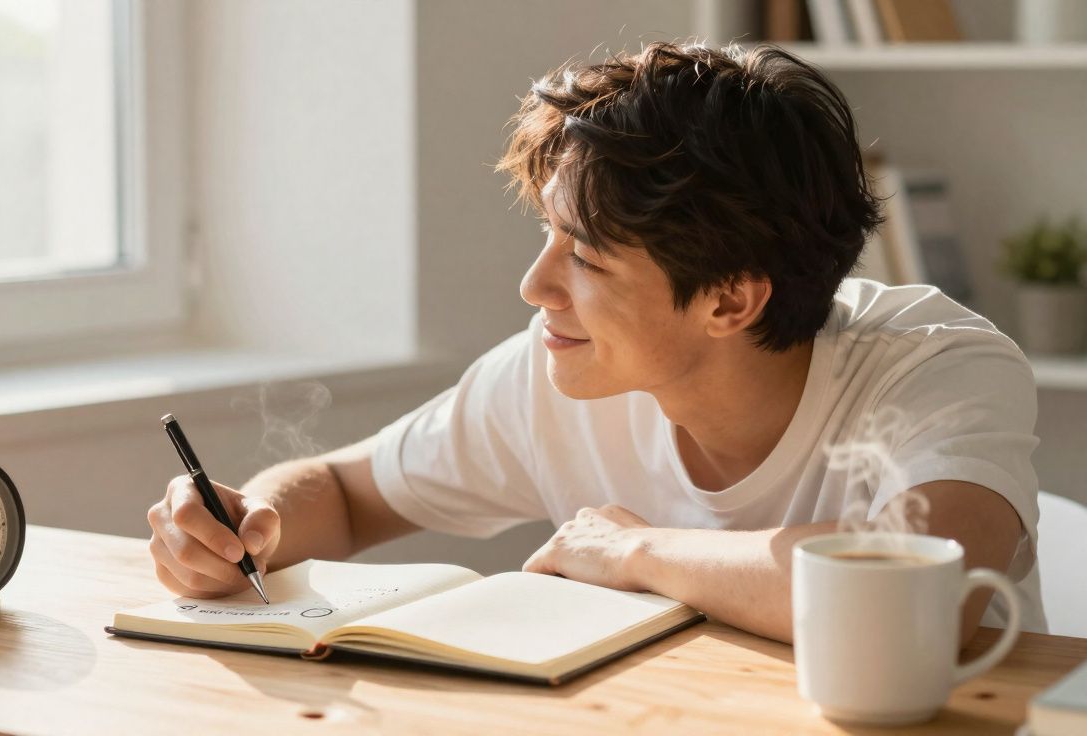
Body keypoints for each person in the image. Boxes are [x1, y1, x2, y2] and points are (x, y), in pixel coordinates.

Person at [146, 42, 1045, 644]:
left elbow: (927, 595)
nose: (534, 288)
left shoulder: (937, 364)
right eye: (545, 237)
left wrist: (635, 552)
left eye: (586, 259)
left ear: (731, 299)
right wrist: (245, 531)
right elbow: (343, 492)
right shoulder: (552, 373)